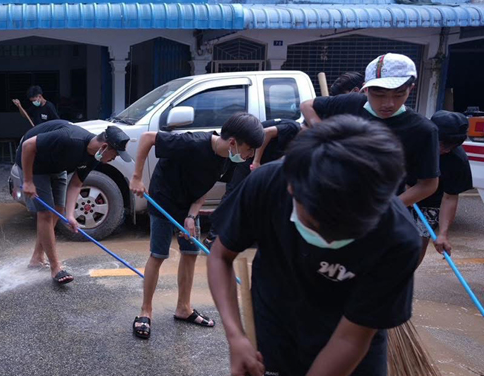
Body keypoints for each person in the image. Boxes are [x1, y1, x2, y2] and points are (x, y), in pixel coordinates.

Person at [208, 115, 418, 376]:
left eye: (349, 231)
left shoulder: (398, 238)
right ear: (293, 187)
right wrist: (236, 336)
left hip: (350, 343)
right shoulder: (268, 183)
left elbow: (352, 339)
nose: (333, 241)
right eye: (321, 224)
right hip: (274, 332)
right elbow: (220, 257)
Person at [128, 113, 264, 339]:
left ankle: (184, 308)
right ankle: (146, 311)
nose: (250, 156)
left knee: (191, 253)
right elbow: (147, 138)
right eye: (249, 150)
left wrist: (191, 216)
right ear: (232, 143)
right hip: (163, 200)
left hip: (188, 205)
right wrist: (136, 177)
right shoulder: (191, 143)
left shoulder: (228, 159)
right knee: (158, 255)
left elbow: (205, 188)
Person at [301, 53, 439, 212]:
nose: (388, 103)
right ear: (365, 89)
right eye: (379, 95)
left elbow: (428, 184)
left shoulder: (422, 130)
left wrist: (386, 208)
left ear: (411, 88)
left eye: (399, 94)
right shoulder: (351, 103)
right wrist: (320, 130)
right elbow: (307, 106)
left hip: (379, 212)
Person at [17, 121, 132, 284]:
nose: (114, 159)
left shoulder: (93, 157)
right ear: (104, 147)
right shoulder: (69, 139)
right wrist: (28, 181)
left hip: (55, 166)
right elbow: (28, 146)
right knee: (45, 213)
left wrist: (70, 215)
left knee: (58, 209)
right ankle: (56, 267)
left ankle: (37, 257)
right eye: (115, 155)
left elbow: (76, 184)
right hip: (34, 163)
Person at [204, 117, 302, 250]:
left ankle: (255, 235)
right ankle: (213, 236)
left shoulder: (301, 146)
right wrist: (256, 161)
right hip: (247, 157)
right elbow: (266, 132)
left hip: (257, 160)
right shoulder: (294, 128)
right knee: (234, 194)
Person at [414, 110, 473, 265]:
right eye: (442, 144)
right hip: (401, 191)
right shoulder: (413, 141)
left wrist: (443, 234)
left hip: (429, 201)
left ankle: (404, 278)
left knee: (417, 244)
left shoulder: (457, 161)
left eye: (451, 146)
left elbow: (450, 197)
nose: (446, 150)